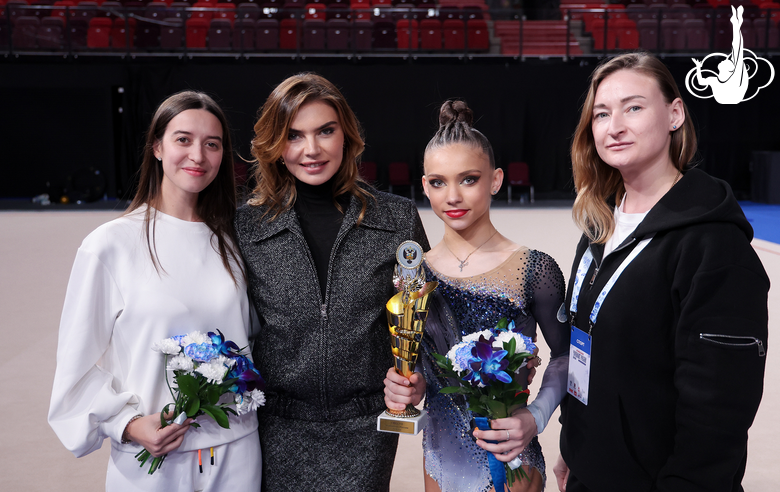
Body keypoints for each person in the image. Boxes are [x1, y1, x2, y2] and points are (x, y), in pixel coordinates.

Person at [553, 52, 769, 491]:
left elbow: (718, 409)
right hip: (592, 467)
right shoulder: (601, 226)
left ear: (674, 114)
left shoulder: (714, 244)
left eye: (633, 107)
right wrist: (576, 444)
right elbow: (591, 350)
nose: (614, 126)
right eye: (601, 113)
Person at [48, 91, 262, 491]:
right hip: (153, 462)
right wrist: (126, 423)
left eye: (212, 144)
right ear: (157, 147)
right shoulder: (109, 245)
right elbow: (74, 368)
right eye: (183, 139)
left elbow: (253, 343)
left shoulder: (236, 241)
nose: (198, 155)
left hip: (237, 454)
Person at [234, 73, 429, 491]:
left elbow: (422, 320)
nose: (312, 149)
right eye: (294, 135)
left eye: (325, 131)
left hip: (366, 425)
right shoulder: (245, 226)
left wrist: (416, 380)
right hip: (275, 424)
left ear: (347, 136)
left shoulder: (396, 220)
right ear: (274, 145)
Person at [383, 100, 570, 492]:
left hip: (511, 457)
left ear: (496, 180)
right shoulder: (414, 275)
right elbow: (413, 362)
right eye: (438, 182)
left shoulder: (534, 269)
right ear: (424, 186)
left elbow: (569, 355)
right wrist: (409, 385)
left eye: (468, 179)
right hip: (439, 459)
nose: (452, 196)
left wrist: (536, 415)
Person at [691, 5, 749, 104]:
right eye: (729, 60)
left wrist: (736, 26)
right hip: (726, 97)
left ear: (729, 69)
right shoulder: (714, 80)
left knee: (737, 53)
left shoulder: (734, 77)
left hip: (733, 96)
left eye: (728, 61)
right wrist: (698, 67)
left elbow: (737, 47)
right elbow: (701, 82)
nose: (726, 59)